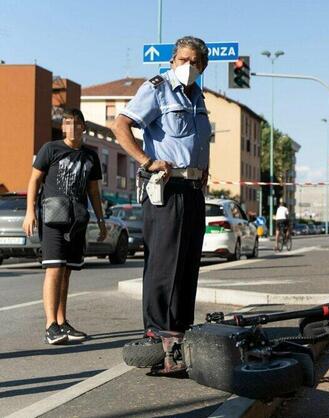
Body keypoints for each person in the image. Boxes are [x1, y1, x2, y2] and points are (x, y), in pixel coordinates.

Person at [112, 36, 212, 346]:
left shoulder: (198, 97)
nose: (189, 66)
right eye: (183, 60)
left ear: (203, 66)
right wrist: (147, 160)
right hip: (167, 188)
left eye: (196, 62)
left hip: (193, 188)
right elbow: (120, 125)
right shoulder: (157, 87)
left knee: (187, 263)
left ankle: (181, 330)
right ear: (172, 61)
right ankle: (157, 332)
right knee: (164, 262)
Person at [22, 109, 106, 344]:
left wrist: (100, 221)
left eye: (77, 123)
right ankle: (50, 325)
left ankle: (61, 321)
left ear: (84, 127)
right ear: (63, 128)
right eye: (67, 123)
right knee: (55, 269)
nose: (72, 127)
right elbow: (34, 180)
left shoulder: (91, 156)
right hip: (52, 218)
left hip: (77, 220)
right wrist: (30, 212)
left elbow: (93, 191)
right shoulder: (51, 149)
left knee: (67, 271)